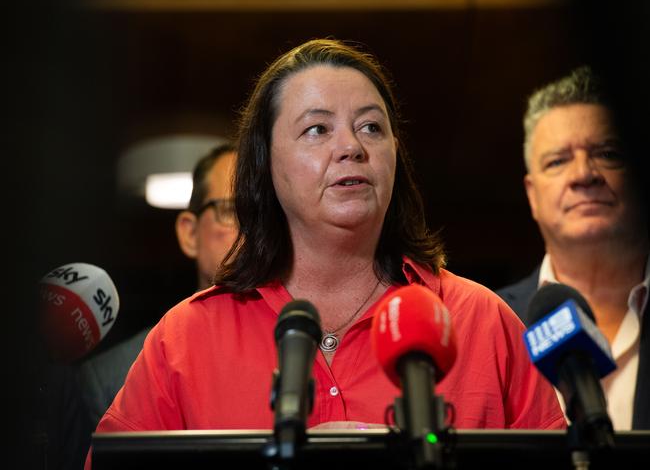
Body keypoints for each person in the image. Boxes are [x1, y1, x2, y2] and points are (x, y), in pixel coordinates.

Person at [88, 38, 564, 452]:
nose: (352, 147)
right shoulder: (185, 339)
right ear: (265, 163)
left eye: (371, 127)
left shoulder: (481, 321)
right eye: (317, 129)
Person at [496, 66, 650, 430]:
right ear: (532, 194)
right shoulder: (492, 321)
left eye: (608, 153)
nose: (584, 174)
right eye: (558, 161)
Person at [79, 143, 238, 429]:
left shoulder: (303, 350)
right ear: (190, 233)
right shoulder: (113, 377)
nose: (253, 229)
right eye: (232, 210)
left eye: (264, 212)